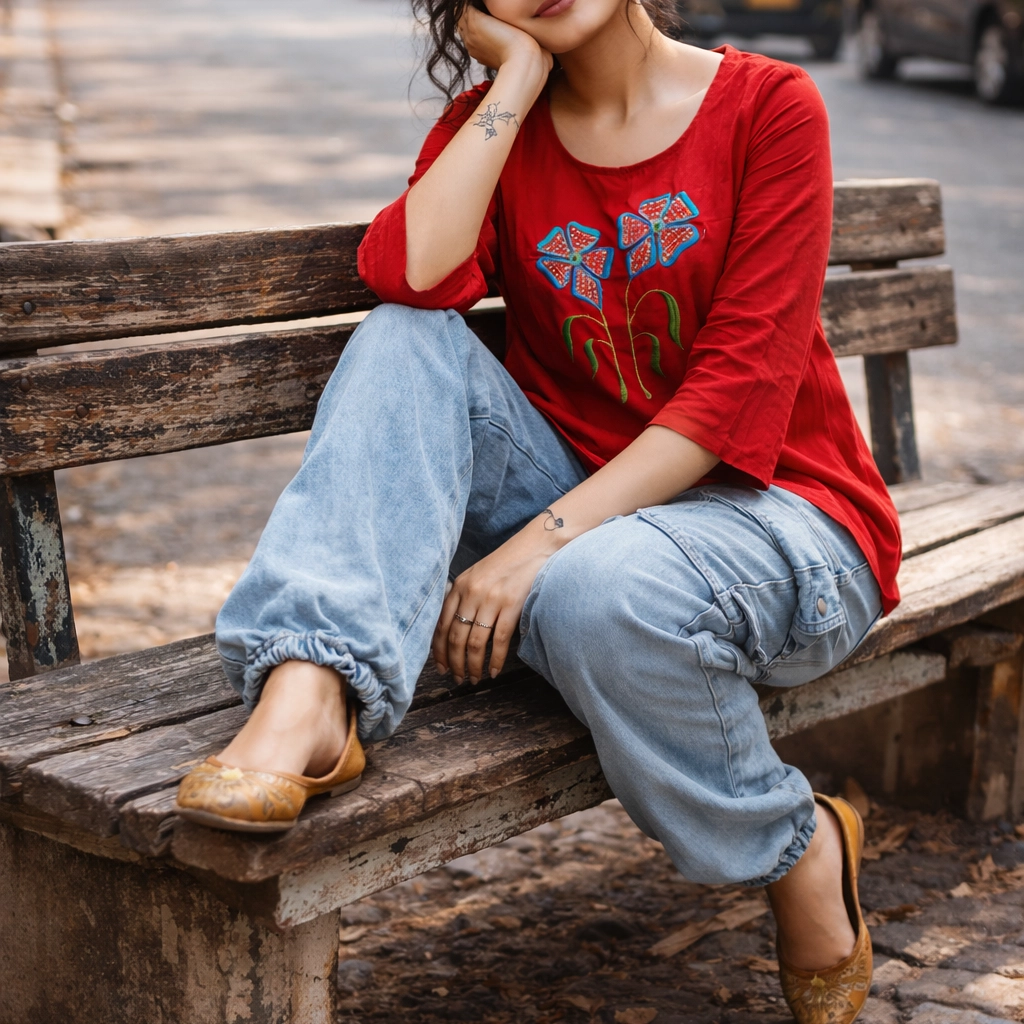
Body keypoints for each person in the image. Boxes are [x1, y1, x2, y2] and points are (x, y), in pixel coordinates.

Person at [175, 0, 902, 1017]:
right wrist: (514, 85)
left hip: (781, 520)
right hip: (584, 516)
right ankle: (309, 688)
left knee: (592, 589)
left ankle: (796, 843)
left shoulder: (766, 106)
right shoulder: (495, 125)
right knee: (402, 338)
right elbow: (410, 277)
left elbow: (732, 395)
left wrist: (536, 546)